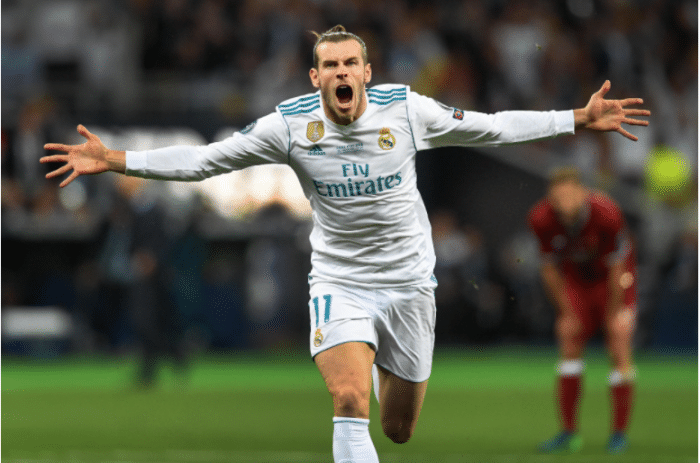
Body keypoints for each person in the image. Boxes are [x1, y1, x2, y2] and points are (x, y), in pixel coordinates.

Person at [41, 25, 649, 463]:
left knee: (399, 428)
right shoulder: (290, 125)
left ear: (365, 73)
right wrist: (116, 159)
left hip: (409, 285)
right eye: (329, 65)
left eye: (349, 63)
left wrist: (576, 118)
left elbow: (491, 128)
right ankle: (359, 372)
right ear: (316, 77)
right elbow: (206, 160)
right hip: (340, 280)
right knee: (349, 396)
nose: (340, 73)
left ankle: (386, 368)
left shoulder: (405, 110)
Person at [527, 167, 638, 454]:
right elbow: (549, 270)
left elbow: (617, 267)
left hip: (613, 282)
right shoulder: (540, 218)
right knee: (568, 337)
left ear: (582, 193)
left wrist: (613, 312)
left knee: (619, 341)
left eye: (569, 195)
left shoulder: (607, 213)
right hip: (577, 283)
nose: (563, 203)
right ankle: (569, 433)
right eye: (557, 197)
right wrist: (567, 312)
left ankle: (619, 434)